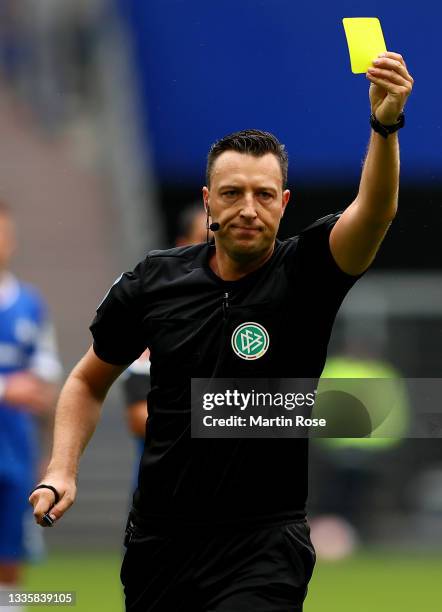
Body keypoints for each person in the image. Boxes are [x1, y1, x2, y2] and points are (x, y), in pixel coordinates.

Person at [29, 52, 414, 611]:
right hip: (159, 543)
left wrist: (384, 126)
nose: (248, 209)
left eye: (263, 195)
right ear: (209, 203)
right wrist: (62, 469)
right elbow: (88, 381)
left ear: (284, 204)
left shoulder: (308, 272)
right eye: (232, 193)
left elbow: (375, 213)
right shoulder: (152, 282)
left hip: (264, 544)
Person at [0, 202, 62, 608]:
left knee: (10, 559)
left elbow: (47, 381)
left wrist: (50, 456)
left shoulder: (29, 303)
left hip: (15, 449)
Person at [121, 205, 209, 474]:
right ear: (183, 246)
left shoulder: (252, 306)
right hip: (166, 489)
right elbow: (139, 417)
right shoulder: (155, 311)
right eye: (207, 239)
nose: (218, 248)